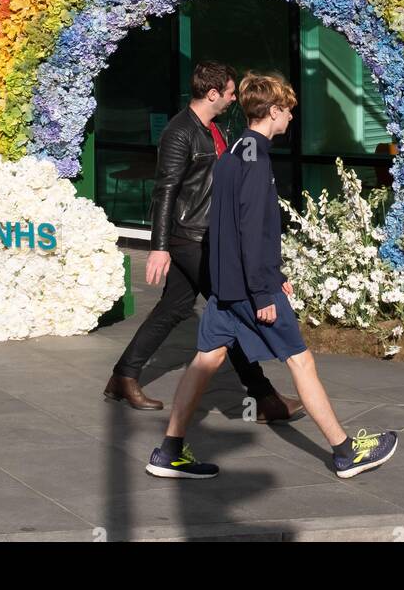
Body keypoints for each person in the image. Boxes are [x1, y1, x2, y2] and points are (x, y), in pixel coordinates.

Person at [146, 72, 399, 479]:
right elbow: (250, 229)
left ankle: (168, 451)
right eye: (289, 111)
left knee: (205, 359)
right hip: (250, 289)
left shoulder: (231, 156)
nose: (291, 119)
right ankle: (345, 452)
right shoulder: (256, 156)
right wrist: (264, 290)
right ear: (274, 111)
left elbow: (227, 226)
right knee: (301, 361)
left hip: (227, 288)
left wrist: (266, 275)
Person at [104, 60, 303, 423]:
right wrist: (159, 246)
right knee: (234, 306)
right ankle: (263, 396)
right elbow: (166, 191)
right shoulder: (180, 133)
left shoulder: (212, 130)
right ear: (212, 93)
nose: (232, 100)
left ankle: (123, 376)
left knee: (174, 308)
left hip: (203, 233)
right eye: (228, 93)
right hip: (190, 237)